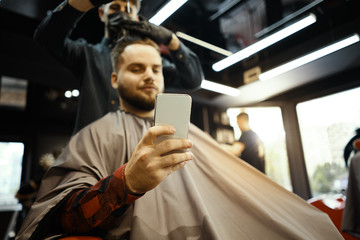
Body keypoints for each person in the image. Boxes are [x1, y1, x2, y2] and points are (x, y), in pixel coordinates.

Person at [17, 36, 342, 240]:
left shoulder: (191, 133)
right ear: (114, 79)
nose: (149, 75)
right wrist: (125, 183)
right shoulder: (96, 134)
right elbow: (63, 216)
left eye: (156, 69)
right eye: (137, 68)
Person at [34, 0, 203, 134]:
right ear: (101, 13)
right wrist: (83, 2)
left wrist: (171, 40)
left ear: (136, 17)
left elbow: (193, 80)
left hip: (141, 152)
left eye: (129, 8)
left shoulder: (151, 65)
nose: (122, 12)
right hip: (93, 153)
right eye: (115, 7)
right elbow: (46, 37)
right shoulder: (87, 55)